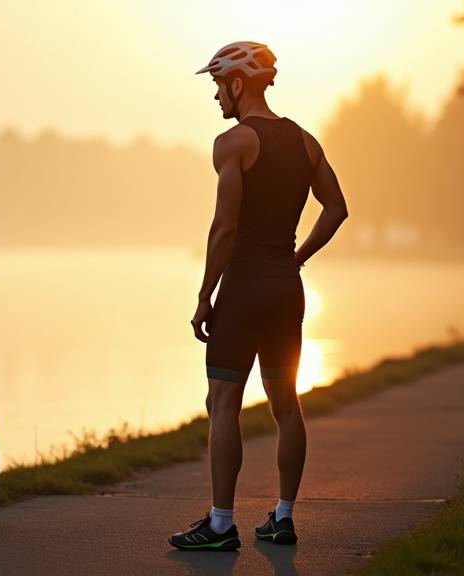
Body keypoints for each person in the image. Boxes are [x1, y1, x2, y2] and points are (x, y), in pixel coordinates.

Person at [168, 41, 348, 551]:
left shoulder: (233, 143)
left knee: (222, 403)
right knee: (287, 405)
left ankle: (222, 525)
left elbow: (225, 228)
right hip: (286, 287)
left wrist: (205, 294)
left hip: (244, 288)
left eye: (217, 85)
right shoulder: (306, 142)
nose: (216, 96)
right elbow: (336, 208)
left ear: (238, 83)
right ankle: (283, 518)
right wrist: (297, 259)